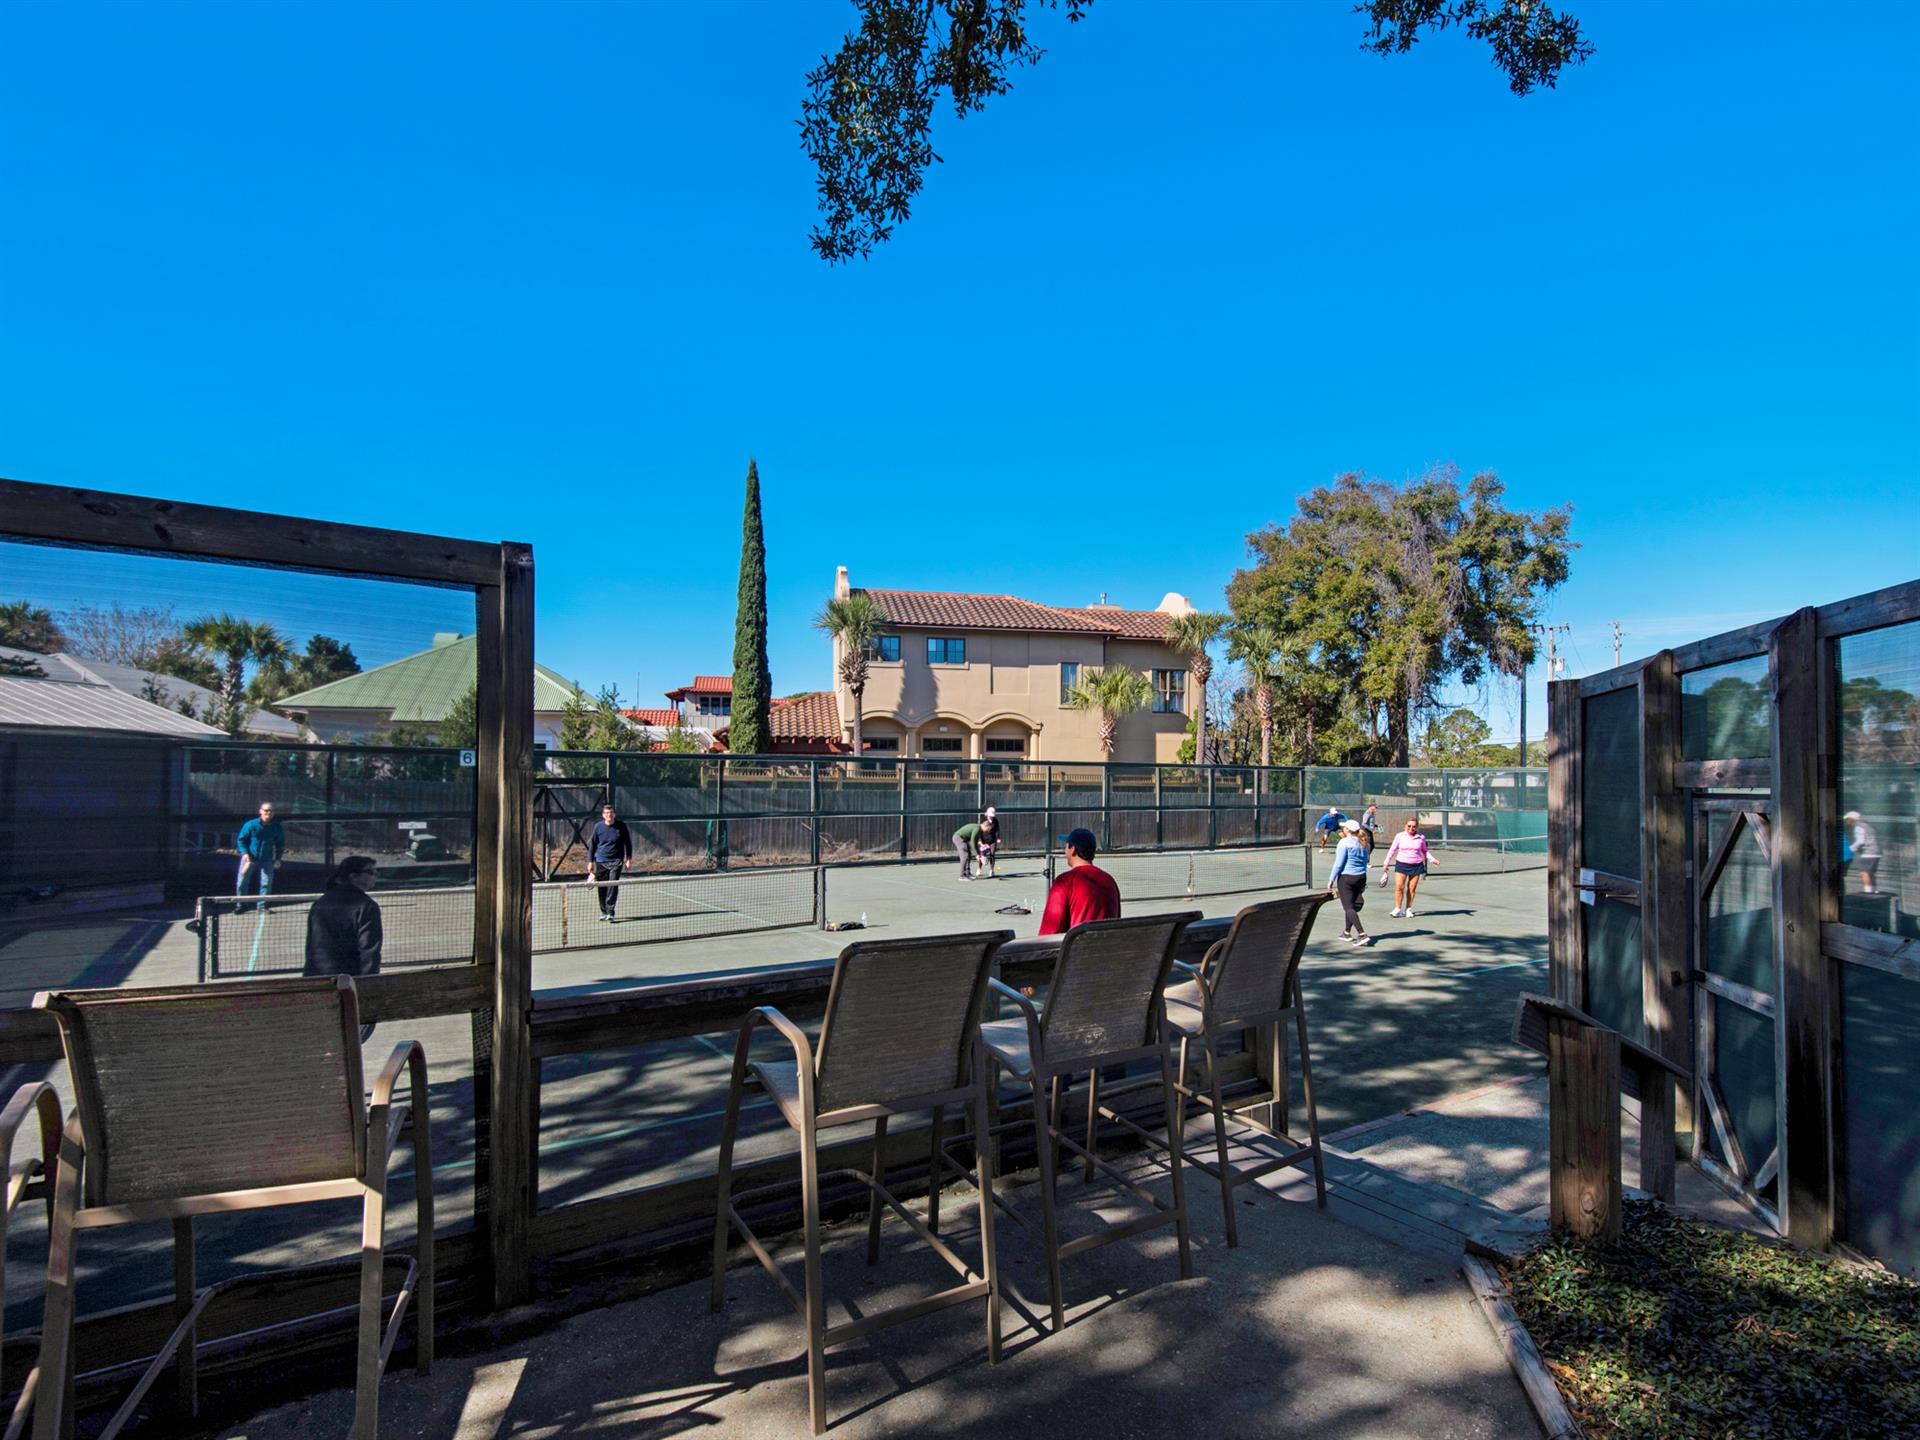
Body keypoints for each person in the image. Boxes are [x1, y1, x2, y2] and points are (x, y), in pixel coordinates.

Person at [304, 856, 382, 1041]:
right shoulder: (367, 906)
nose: (375, 876)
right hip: (349, 986)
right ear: (353, 876)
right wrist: (368, 989)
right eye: (370, 872)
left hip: (318, 984)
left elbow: (311, 948)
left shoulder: (319, 903)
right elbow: (369, 953)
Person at [1040, 828, 1121, 935]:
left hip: (1075, 950)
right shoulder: (1110, 881)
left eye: (1066, 846)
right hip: (1106, 949)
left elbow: (1049, 931)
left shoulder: (1064, 882)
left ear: (1072, 849)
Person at [1325, 818, 1371, 946]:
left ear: (1348, 830)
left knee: (1348, 907)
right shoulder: (1364, 843)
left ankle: (1362, 934)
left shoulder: (1344, 843)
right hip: (1361, 878)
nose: (1343, 829)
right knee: (1351, 905)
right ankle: (1346, 932)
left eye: (1345, 827)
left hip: (1347, 879)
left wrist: (1331, 879)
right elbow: (1364, 862)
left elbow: (1339, 864)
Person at [1378, 816, 1434, 917]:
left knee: (1412, 888)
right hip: (1401, 864)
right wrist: (1386, 862)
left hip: (1416, 865)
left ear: (1417, 827)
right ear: (1405, 826)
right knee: (1399, 887)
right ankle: (1397, 908)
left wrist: (1432, 859)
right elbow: (1392, 850)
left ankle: (1408, 909)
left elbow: (1425, 851)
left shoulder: (1421, 837)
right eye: (1409, 826)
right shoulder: (1399, 836)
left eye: (1414, 826)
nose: (1411, 828)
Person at [235, 801, 286, 911]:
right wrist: (244, 853)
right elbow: (241, 840)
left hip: (266, 859)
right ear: (260, 811)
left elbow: (280, 844)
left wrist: (278, 859)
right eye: (266, 810)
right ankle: (241, 905)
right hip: (250, 858)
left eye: (271, 811)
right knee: (242, 882)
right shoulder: (250, 825)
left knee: (266, 882)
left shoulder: (277, 827)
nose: (268, 813)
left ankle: (262, 906)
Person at [588, 801, 634, 921]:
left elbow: (628, 843)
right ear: (603, 815)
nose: (609, 815)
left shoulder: (621, 826)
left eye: (611, 813)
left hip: (616, 861)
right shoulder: (598, 827)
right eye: (607, 813)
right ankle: (604, 911)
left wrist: (628, 859)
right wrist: (590, 861)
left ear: (615, 814)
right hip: (601, 861)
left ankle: (610, 912)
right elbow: (592, 845)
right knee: (602, 887)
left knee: (612, 885)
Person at [1844, 810, 1881, 894]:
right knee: (1871, 873)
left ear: (1852, 819)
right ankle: (1874, 890)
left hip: (1869, 852)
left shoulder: (1858, 827)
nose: (1846, 822)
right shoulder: (1867, 826)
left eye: (1847, 819)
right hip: (1877, 851)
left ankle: (1867, 892)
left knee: (1864, 872)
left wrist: (1850, 849)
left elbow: (1860, 841)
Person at [975, 806, 1002, 878]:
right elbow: (979, 830)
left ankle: (991, 870)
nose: (991, 817)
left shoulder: (995, 820)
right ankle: (979, 869)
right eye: (990, 815)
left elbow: (997, 829)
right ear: (987, 814)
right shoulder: (983, 819)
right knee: (982, 855)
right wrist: (980, 840)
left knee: (992, 854)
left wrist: (998, 838)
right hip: (983, 840)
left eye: (992, 815)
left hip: (992, 840)